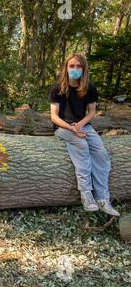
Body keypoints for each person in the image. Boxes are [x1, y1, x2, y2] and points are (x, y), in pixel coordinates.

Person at [48, 53, 120, 216]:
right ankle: (86, 195)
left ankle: (102, 198)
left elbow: (92, 112)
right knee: (81, 146)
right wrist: (71, 128)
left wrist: (80, 124)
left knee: (101, 154)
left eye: (78, 66)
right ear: (66, 68)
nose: (75, 69)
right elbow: (53, 116)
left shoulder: (90, 88)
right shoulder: (57, 87)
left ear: (84, 69)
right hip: (63, 127)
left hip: (83, 126)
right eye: (71, 66)